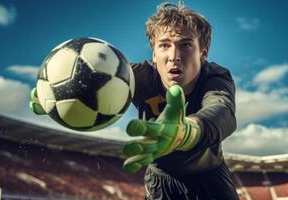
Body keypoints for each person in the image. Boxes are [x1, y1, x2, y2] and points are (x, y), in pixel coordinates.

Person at [30, 2, 239, 199]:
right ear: (154, 54)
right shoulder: (131, 77)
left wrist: (187, 131)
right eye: (164, 45)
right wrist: (58, 93)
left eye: (185, 45)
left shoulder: (215, 77)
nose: (174, 56)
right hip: (161, 181)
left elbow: (222, 111)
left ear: (203, 53)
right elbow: (93, 77)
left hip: (210, 177)